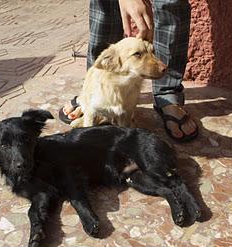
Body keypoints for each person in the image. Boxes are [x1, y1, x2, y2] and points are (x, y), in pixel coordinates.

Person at [60, 0, 198, 142]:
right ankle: (87, 97)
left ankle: (167, 92)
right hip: (102, 86)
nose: (161, 65)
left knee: (171, 3)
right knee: (105, 5)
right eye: (138, 55)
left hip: (127, 96)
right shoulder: (109, 59)